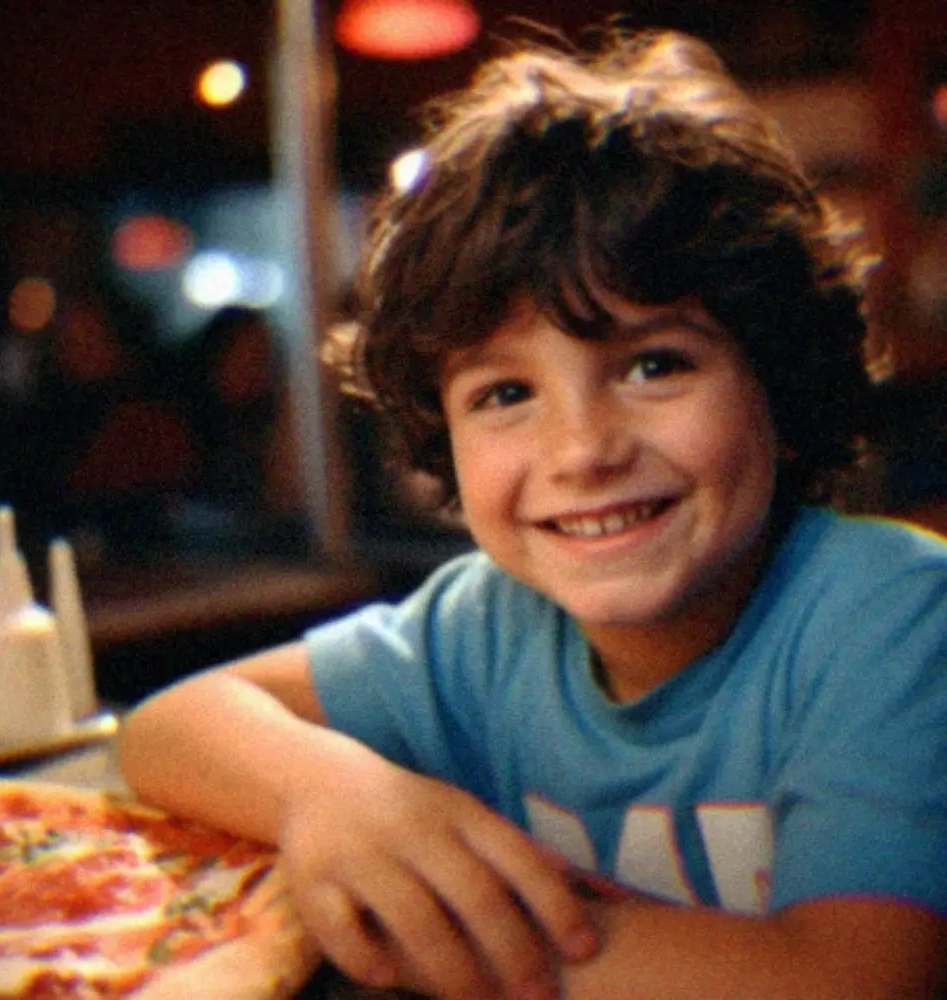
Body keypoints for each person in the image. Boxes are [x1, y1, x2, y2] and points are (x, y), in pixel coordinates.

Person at [117, 22, 947, 1000]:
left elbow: (848, 984)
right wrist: (336, 793)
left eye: (653, 364)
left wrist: (444, 912)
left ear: (779, 384)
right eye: (504, 394)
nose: (582, 450)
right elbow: (164, 727)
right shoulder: (483, 626)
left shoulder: (891, 616)